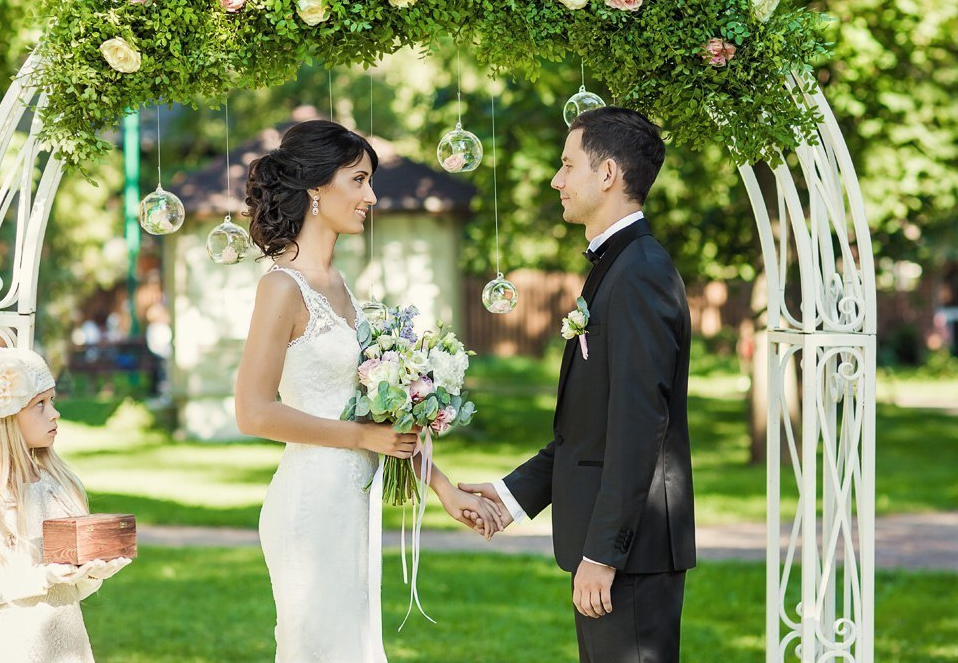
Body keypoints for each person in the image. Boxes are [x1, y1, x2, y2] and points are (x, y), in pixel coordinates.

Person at [234, 120, 504, 662]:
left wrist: (444, 487)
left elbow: (381, 426)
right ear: (316, 188)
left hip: (356, 503)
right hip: (310, 508)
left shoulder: (340, 286)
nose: (371, 196)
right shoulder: (280, 287)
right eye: (358, 180)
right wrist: (358, 436)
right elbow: (254, 413)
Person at [460, 107, 696, 662]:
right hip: (615, 551)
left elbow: (639, 425)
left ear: (608, 174)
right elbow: (588, 429)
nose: (555, 180)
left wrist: (604, 555)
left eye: (567, 165)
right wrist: (511, 494)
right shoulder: (617, 266)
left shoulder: (639, 273)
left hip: (630, 556)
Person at [0, 347, 131, 663]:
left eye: (53, 401)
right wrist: (42, 576)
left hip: (67, 648)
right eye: (39, 405)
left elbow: (72, 591)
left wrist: (93, 571)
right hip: (9, 649)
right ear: (0, 418)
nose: (54, 413)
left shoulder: (59, 483)